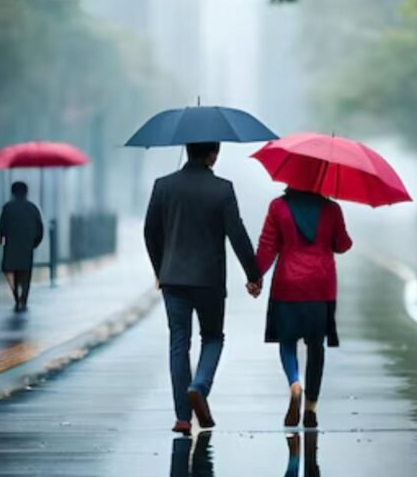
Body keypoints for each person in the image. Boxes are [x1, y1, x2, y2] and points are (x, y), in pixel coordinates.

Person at [144, 142, 262, 435]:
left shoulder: (163, 185)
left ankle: (182, 417)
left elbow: (150, 231)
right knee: (212, 337)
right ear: (213, 154)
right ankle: (200, 386)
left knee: (178, 344)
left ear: (186, 150)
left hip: (173, 280)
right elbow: (237, 233)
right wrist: (253, 274)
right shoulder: (222, 189)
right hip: (209, 280)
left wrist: (160, 269)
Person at [254, 188, 352, 428]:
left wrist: (255, 276)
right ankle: (310, 408)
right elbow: (342, 245)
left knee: (287, 341)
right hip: (321, 285)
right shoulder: (331, 210)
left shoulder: (278, 207)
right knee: (316, 346)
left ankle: (295, 384)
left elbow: (267, 246)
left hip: (287, 283)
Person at [0, 181, 44, 313]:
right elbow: (40, 229)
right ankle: (23, 298)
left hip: (11, 246)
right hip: (26, 246)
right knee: (25, 273)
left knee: (11, 271)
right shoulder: (32, 208)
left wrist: (3, 240)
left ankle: (16, 296)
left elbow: (2, 227)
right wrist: (34, 243)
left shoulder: (7, 208)